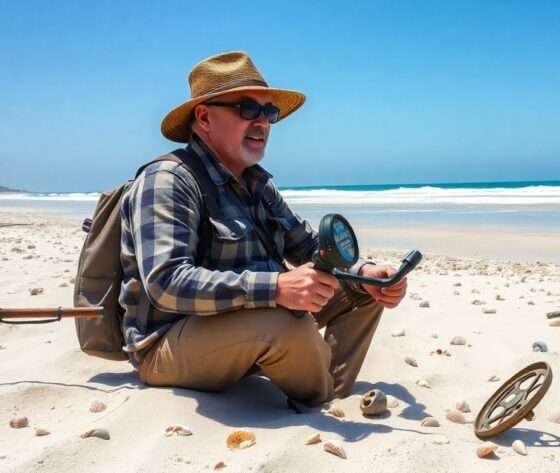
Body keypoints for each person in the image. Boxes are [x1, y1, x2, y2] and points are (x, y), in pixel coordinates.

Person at [118, 51, 407, 408]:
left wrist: (366, 272)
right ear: (205, 117)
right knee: (285, 324)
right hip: (166, 346)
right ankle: (325, 407)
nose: (263, 123)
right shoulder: (168, 181)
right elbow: (166, 283)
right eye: (247, 109)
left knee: (362, 289)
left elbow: (307, 245)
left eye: (269, 113)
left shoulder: (255, 183)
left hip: (244, 324)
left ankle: (328, 392)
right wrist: (277, 288)